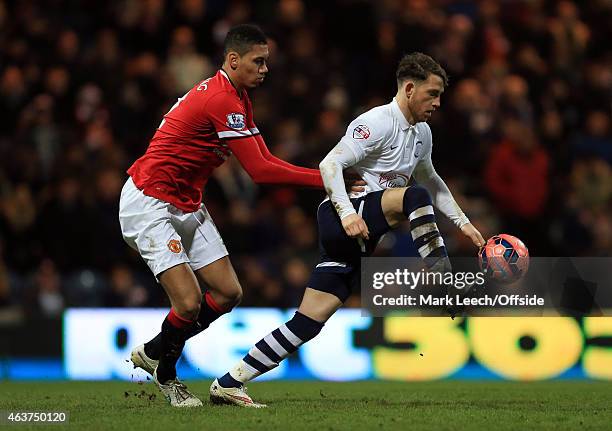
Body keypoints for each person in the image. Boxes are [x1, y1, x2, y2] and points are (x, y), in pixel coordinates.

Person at [209, 52, 486, 407]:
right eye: (432, 94)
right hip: (344, 217)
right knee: (412, 197)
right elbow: (330, 164)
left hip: (363, 236)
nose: (437, 102)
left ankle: (230, 382)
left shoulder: (423, 134)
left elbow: (432, 180)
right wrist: (346, 213)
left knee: (308, 321)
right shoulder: (376, 122)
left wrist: (463, 223)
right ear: (410, 88)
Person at [119, 24, 359, 407]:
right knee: (187, 303)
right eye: (258, 61)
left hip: (187, 202)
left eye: (266, 61)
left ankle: (153, 350)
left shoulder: (238, 96)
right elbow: (261, 172)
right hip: (150, 202)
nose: (265, 69)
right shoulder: (221, 100)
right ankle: (165, 373)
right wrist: (329, 181)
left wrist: (326, 178)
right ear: (234, 60)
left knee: (229, 292)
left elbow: (264, 159)